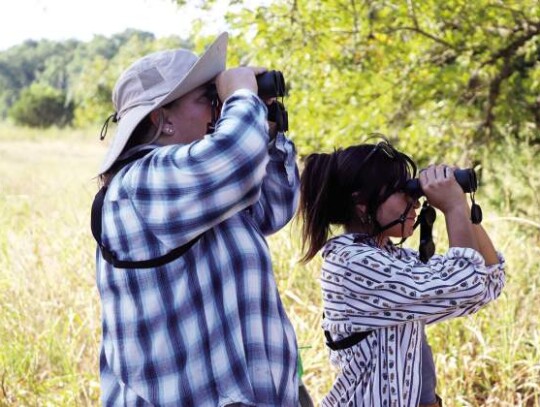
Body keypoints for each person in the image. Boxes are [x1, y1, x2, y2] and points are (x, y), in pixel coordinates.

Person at [92, 32, 300, 406]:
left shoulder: (203, 183)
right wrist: (241, 97)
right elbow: (235, 158)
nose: (216, 110)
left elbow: (277, 205)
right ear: (162, 119)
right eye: (208, 99)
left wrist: (265, 122)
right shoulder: (141, 183)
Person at [298, 139, 505, 406]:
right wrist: (452, 207)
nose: (415, 202)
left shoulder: (391, 257)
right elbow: (466, 284)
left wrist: (460, 203)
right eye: (402, 191)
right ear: (362, 203)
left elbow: (488, 283)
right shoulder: (351, 263)